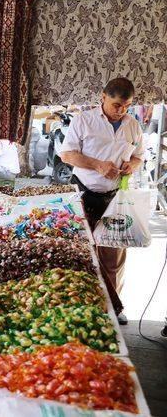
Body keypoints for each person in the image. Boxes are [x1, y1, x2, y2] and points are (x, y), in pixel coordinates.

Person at [60, 78, 144, 325]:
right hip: (83, 193)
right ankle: (81, 306)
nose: (122, 111)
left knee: (114, 256)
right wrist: (97, 164)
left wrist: (132, 166)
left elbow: (139, 156)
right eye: (117, 104)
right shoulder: (84, 120)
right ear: (103, 98)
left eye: (127, 105)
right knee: (81, 252)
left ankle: (113, 307)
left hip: (114, 197)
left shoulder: (133, 126)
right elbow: (67, 154)